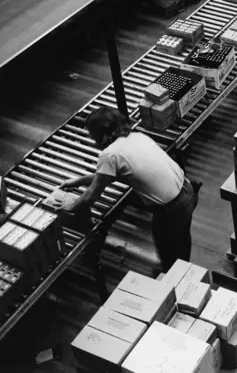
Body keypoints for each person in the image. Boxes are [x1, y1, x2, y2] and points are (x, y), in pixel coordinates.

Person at [56, 107, 200, 273]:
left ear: (101, 133)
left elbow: (91, 196)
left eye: (91, 133)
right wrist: (79, 181)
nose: (90, 137)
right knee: (181, 237)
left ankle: (171, 277)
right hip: (188, 190)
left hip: (172, 208)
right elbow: (109, 176)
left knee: (165, 244)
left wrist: (70, 207)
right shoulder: (136, 136)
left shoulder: (110, 154)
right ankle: (183, 268)